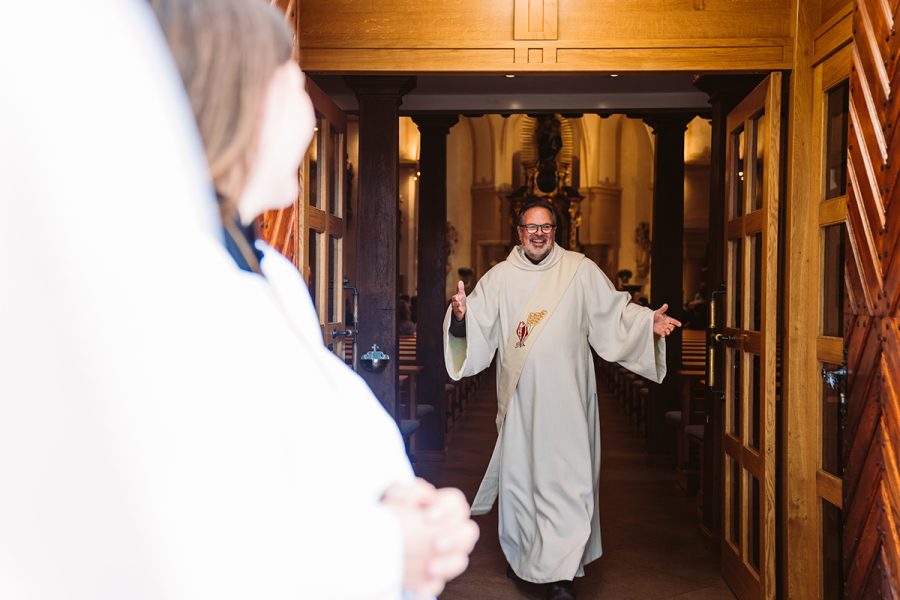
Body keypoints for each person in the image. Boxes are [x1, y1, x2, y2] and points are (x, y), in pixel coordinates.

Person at [147, 0, 478, 597]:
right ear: (240, 99)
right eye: (295, 85)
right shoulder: (163, 291)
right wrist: (385, 551)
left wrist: (396, 501)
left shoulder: (271, 272)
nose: (308, 121)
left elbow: (326, 430)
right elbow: (196, 524)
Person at [443, 198, 681, 600]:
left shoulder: (580, 271)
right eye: (531, 227)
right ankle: (524, 557)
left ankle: (561, 573)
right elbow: (478, 325)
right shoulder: (500, 278)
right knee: (523, 481)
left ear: (556, 231)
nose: (539, 234)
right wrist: (462, 316)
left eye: (546, 227)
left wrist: (646, 322)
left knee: (570, 483)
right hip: (521, 398)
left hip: (570, 398)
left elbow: (613, 313)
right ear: (519, 232)